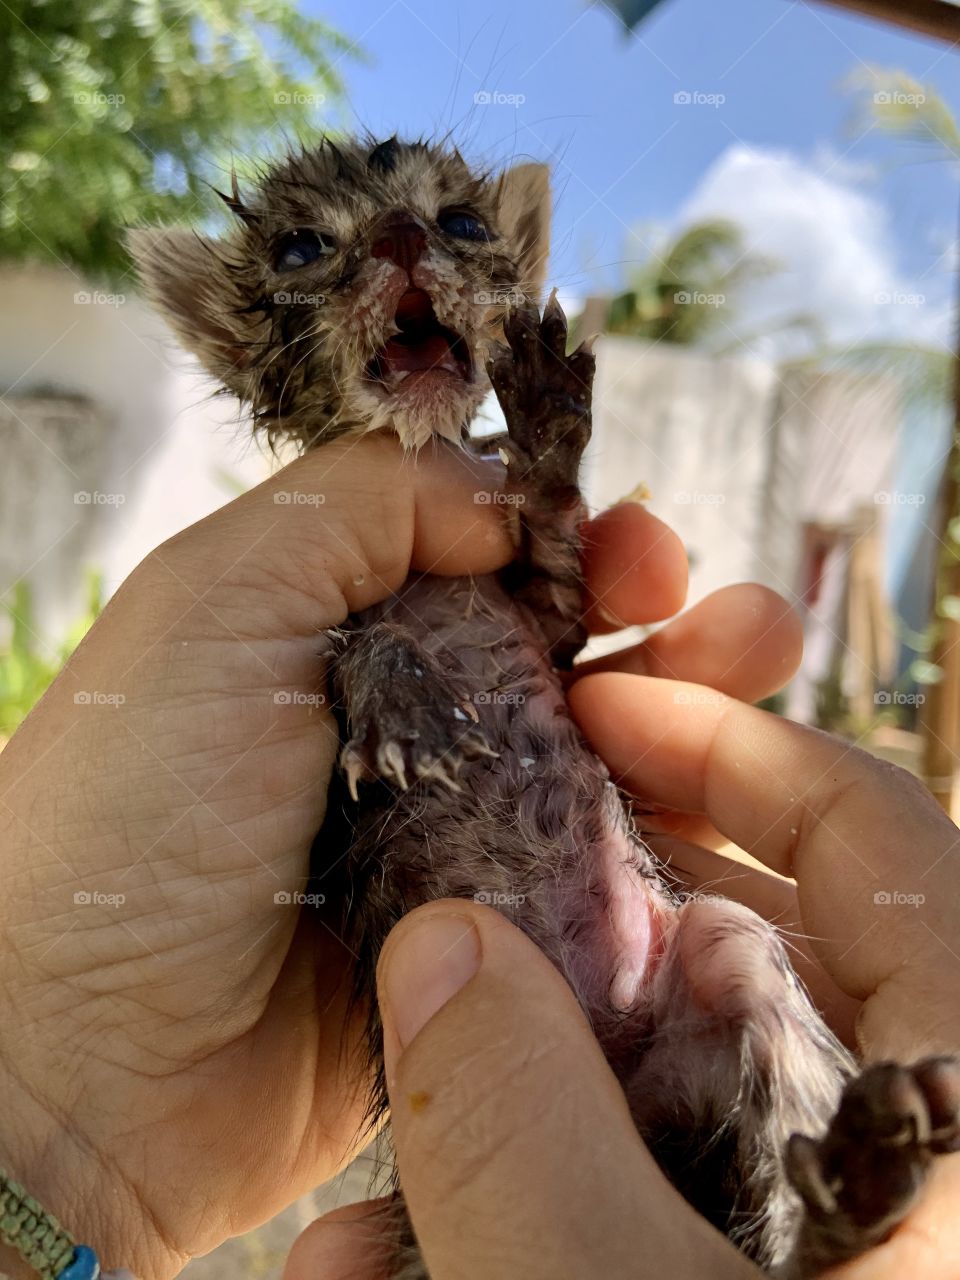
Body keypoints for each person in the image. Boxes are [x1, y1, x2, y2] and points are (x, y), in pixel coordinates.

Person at [0, 435, 957, 1280]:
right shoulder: (328, 601)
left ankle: (834, 1204)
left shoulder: (456, 533)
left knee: (733, 951)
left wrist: (50, 1115)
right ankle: (844, 1209)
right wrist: (56, 1119)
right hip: (565, 990)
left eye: (462, 228)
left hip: (653, 982)